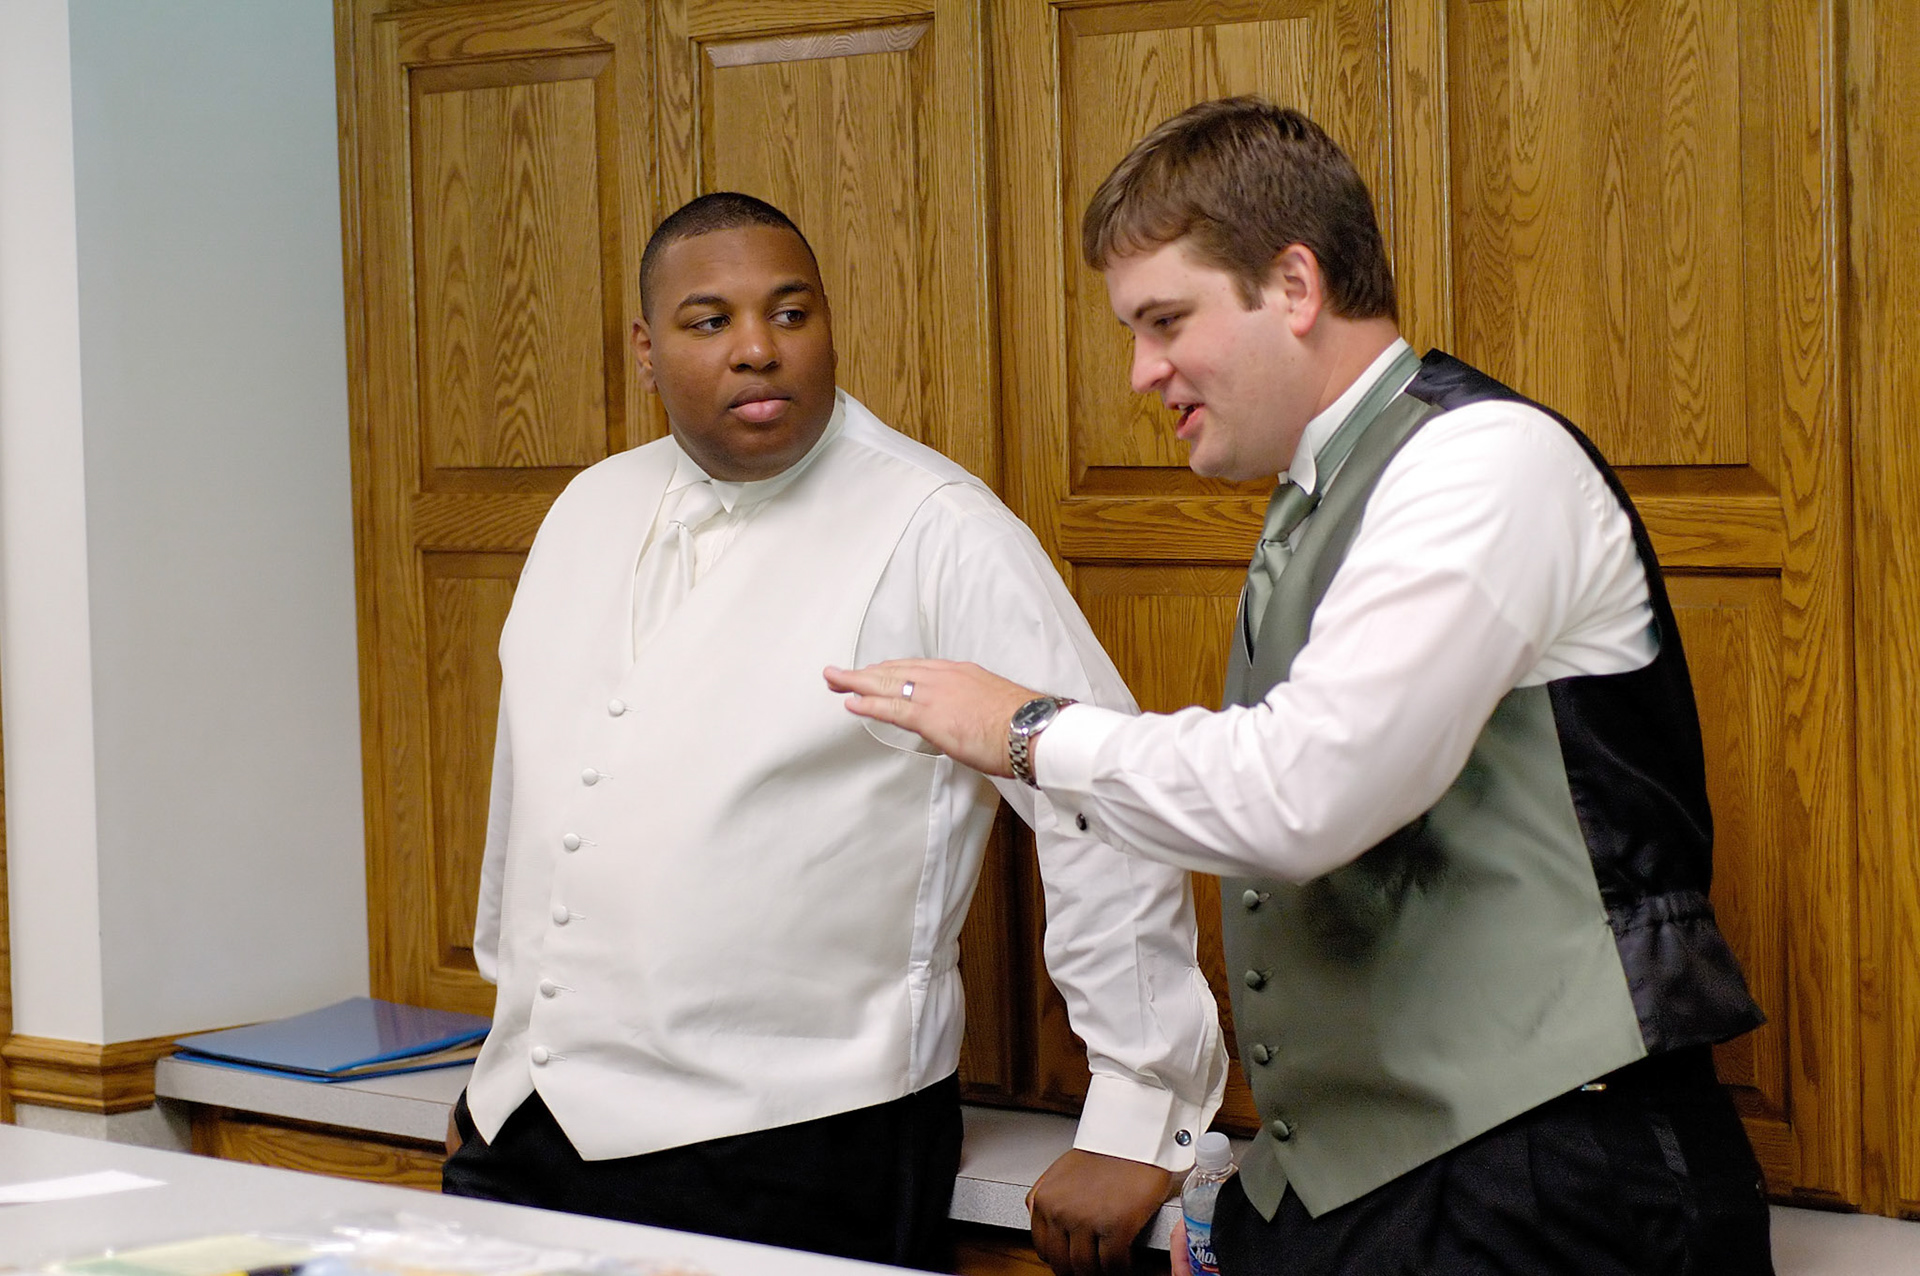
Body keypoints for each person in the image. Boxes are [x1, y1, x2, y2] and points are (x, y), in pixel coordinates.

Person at [827, 99, 1774, 1275]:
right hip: (1384, 1194)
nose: (1140, 372)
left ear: (1293, 284)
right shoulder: (1319, 493)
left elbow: (1302, 795)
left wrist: (1025, 729)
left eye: (1165, 321)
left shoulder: (1486, 462)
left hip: (1551, 1183)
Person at [441, 191, 1226, 1275]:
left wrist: (1139, 1110)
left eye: (790, 313)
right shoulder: (585, 508)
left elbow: (1099, 797)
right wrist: (504, 1071)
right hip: (525, 1141)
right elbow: (534, 794)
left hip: (802, 1150)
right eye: (709, 321)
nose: (756, 349)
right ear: (646, 351)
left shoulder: (938, 527)